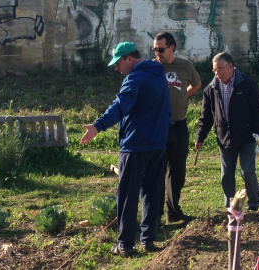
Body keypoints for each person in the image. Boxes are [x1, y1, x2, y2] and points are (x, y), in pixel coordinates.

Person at [80, 41, 171, 256]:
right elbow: (167, 110)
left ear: (129, 59)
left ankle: (125, 244)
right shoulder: (159, 76)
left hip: (135, 146)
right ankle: (148, 240)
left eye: (118, 63)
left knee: (127, 194)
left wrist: (97, 126)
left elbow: (120, 105)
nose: (116, 68)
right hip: (158, 145)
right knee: (151, 191)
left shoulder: (135, 78)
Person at [194, 52, 259, 211]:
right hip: (224, 138)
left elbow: (258, 110)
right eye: (214, 70)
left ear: (231, 67)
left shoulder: (247, 84)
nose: (217, 73)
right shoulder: (211, 89)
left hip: (247, 136)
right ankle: (231, 206)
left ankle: (254, 204)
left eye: (220, 69)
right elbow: (205, 117)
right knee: (226, 175)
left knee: (247, 171)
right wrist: (200, 137)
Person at [153, 31, 202, 223]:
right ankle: (155, 215)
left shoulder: (185, 66)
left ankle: (173, 212)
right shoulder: (151, 67)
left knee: (178, 171)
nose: (157, 52)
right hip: (158, 127)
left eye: (161, 49)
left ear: (172, 48)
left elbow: (197, 84)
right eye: (155, 49)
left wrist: (183, 96)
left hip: (179, 126)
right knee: (157, 170)